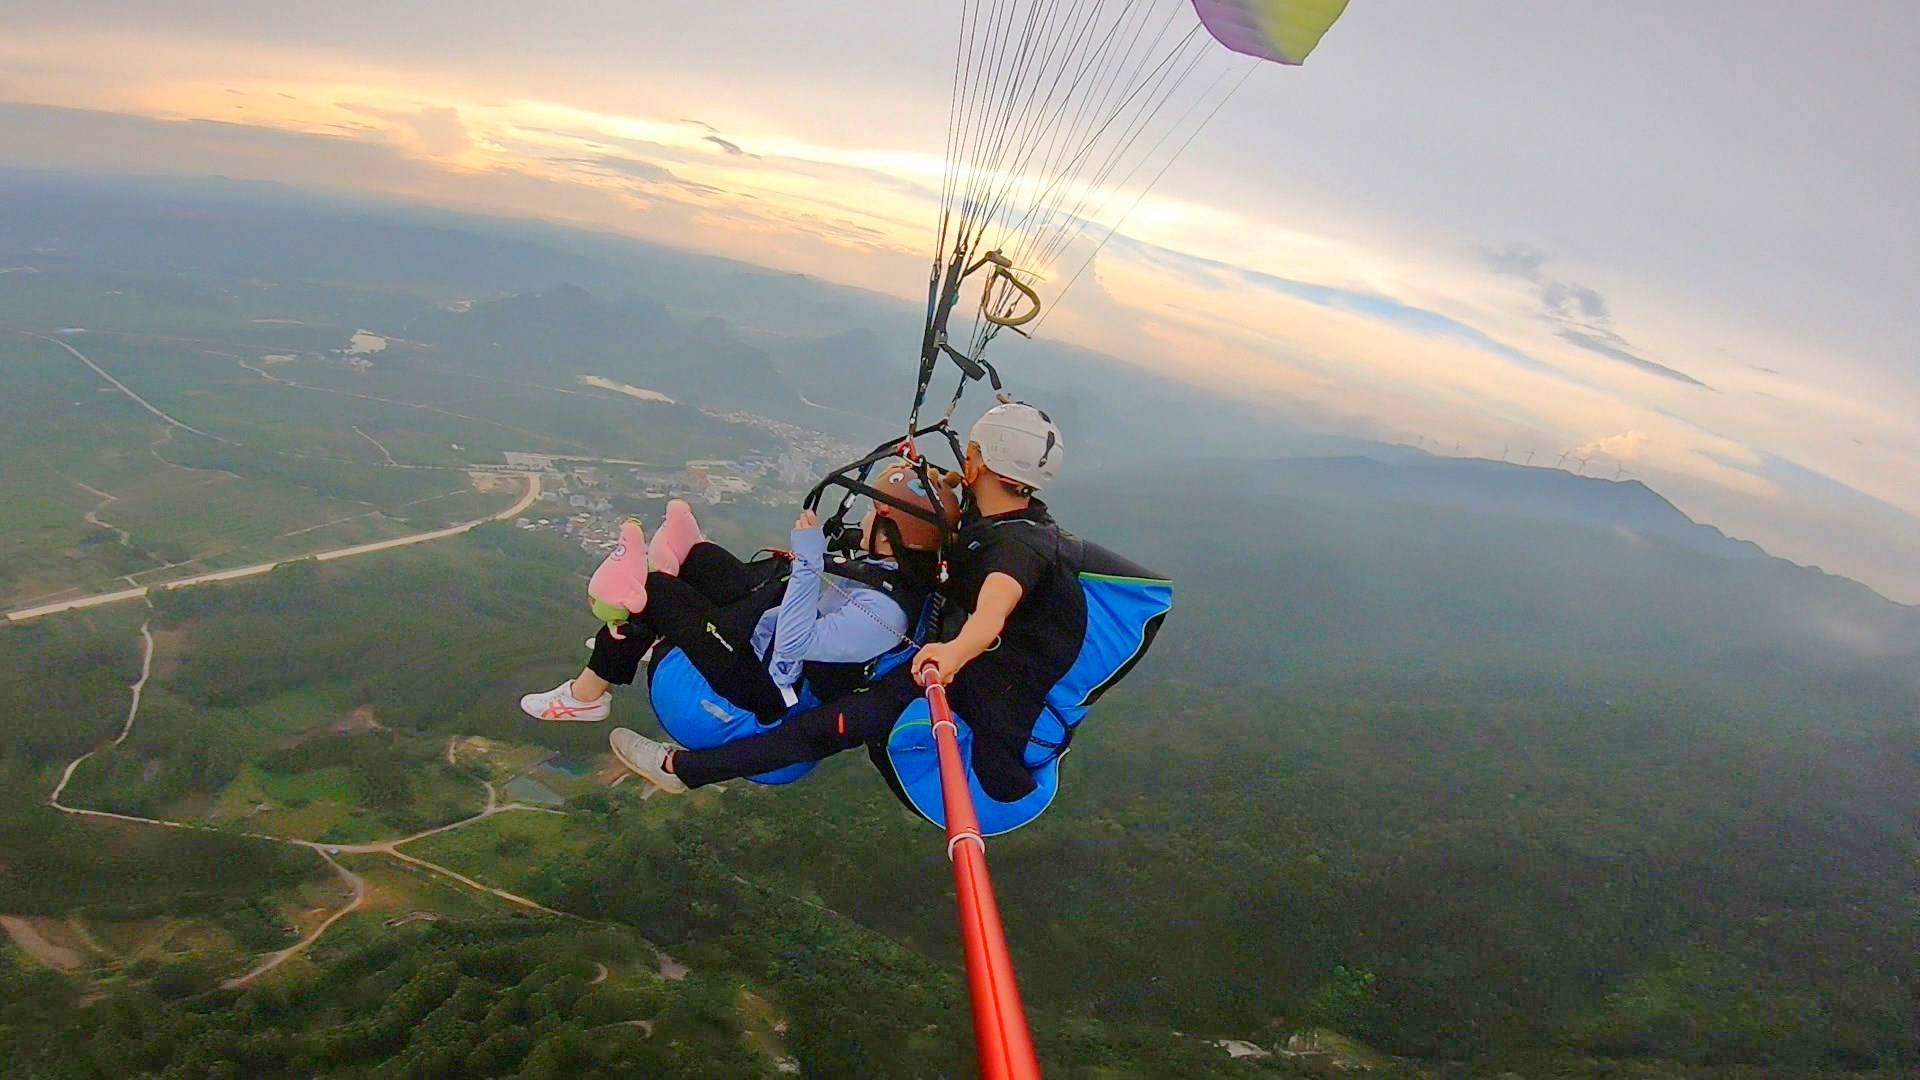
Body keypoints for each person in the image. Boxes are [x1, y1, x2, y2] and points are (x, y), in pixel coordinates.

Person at [610, 401, 1080, 803]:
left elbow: (992, 614)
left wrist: (953, 654)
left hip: (982, 672)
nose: (966, 461)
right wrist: (924, 492)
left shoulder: (1019, 549)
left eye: (971, 453)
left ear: (985, 462)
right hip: (947, 639)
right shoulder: (1005, 511)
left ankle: (680, 770)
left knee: (830, 726)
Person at [520, 461, 952, 728]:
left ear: (894, 534)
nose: (865, 519)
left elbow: (794, 644)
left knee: (655, 590)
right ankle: (646, 633)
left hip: (763, 681)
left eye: (876, 515)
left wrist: (807, 563)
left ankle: (583, 697)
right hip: (768, 636)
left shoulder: (885, 615)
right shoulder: (890, 568)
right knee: (701, 558)